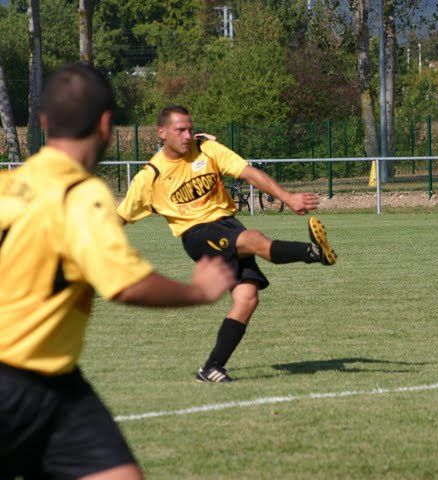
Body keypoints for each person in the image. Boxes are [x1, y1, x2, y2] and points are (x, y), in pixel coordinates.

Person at [0, 64, 235, 480]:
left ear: (42, 123)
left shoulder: (7, 185)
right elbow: (126, 285)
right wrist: (198, 291)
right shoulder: (81, 192)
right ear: (106, 124)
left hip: (58, 383)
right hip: (17, 380)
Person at [117, 105, 337, 383]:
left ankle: (211, 368)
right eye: (179, 130)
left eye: (189, 128)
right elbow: (120, 216)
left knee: (247, 298)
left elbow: (248, 173)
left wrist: (288, 197)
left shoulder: (208, 150)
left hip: (227, 223)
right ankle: (315, 252)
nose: (187, 135)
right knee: (255, 240)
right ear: (161, 132)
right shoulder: (150, 176)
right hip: (197, 234)